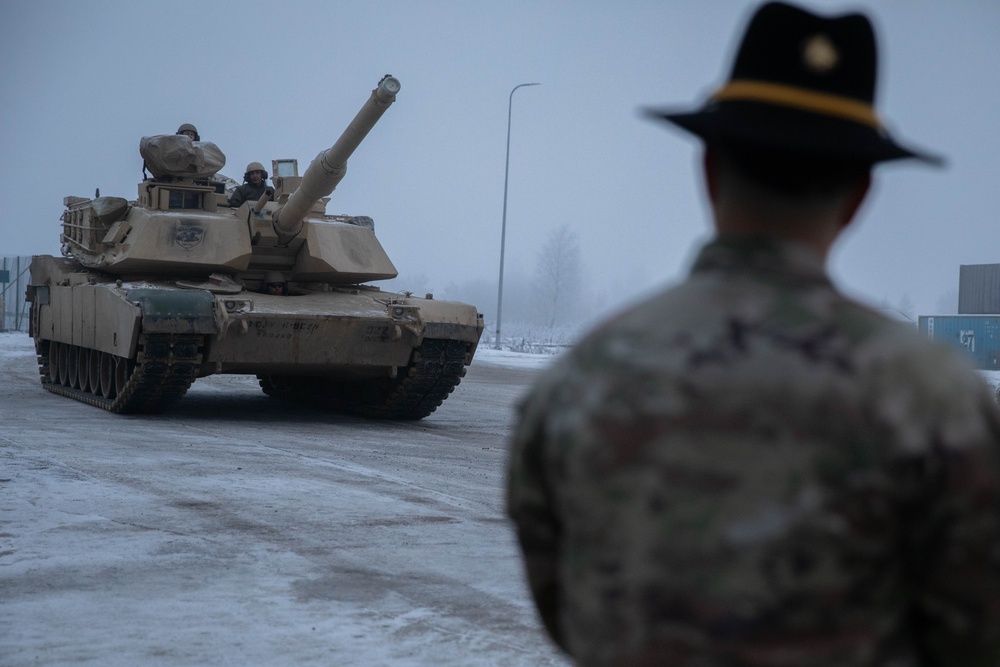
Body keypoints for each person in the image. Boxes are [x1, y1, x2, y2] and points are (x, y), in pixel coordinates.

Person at [506, 2, 1000, 665]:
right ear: (859, 194)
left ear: (708, 169)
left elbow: (566, 607)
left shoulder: (580, 377)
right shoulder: (937, 398)